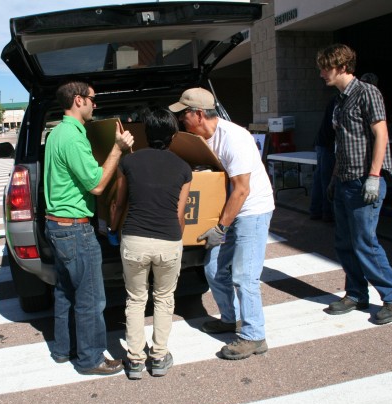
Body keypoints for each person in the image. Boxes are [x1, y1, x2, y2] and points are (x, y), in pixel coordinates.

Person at [169, 88, 275, 360]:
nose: (181, 120)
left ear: (199, 114)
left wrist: (220, 228)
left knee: (244, 276)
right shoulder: (202, 138)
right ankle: (230, 319)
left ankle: (254, 336)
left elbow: (241, 190)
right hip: (229, 211)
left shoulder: (234, 138)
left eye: (184, 114)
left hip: (251, 211)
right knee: (214, 268)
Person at [44, 80, 134, 375]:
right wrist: (118, 150)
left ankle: (62, 349)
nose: (96, 105)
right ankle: (90, 359)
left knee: (65, 291)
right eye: (93, 100)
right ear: (78, 100)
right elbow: (96, 185)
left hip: (57, 226)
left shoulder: (57, 132)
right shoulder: (72, 137)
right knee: (90, 298)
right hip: (75, 230)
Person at [317, 44, 392, 324]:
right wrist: (333, 179)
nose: (321, 73)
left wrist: (373, 176)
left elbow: (381, 135)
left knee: (364, 242)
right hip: (345, 180)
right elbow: (342, 146)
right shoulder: (339, 100)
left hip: (363, 181)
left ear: (342, 67)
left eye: (325, 67)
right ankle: (356, 293)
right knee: (345, 241)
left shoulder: (367, 92)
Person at [109, 108, 192, 380]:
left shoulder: (129, 163)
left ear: (146, 132)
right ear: (173, 136)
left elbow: (119, 203)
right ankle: (158, 357)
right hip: (168, 240)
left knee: (135, 299)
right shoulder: (183, 168)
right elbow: (180, 215)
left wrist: (112, 229)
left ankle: (134, 361)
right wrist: (177, 241)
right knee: (164, 298)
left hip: (134, 239)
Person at [309, 95, 336, 222]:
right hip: (328, 143)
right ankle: (327, 212)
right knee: (326, 178)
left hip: (323, 143)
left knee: (320, 177)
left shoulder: (335, 100)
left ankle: (316, 210)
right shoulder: (340, 100)